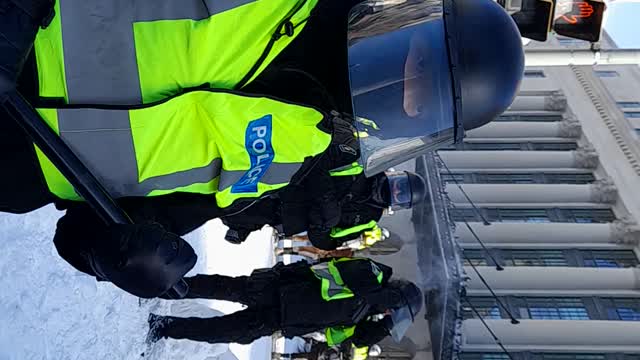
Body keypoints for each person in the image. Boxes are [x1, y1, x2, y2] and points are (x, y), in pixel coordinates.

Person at [0, 0, 525, 297]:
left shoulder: (286, 162)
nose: (405, 87)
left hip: (15, 165)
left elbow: (85, 227)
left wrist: (113, 256)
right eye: (417, 59)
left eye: (421, 99)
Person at [147, 257, 423, 348]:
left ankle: (163, 326)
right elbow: (350, 279)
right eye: (394, 308)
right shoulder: (371, 272)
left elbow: (355, 340)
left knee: (222, 332)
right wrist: (388, 299)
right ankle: (163, 286)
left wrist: (385, 325)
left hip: (280, 320)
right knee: (219, 287)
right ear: (394, 294)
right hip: (277, 289)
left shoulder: (362, 316)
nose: (389, 312)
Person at [222, 168, 425, 251]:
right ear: (396, 175)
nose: (396, 189)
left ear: (399, 205)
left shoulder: (369, 219)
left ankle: (240, 226)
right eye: (400, 184)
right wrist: (326, 197)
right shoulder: (366, 168)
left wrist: (322, 224)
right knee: (224, 187)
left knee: (229, 213)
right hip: (282, 184)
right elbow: (322, 161)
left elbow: (329, 242)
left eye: (401, 194)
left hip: (284, 216)